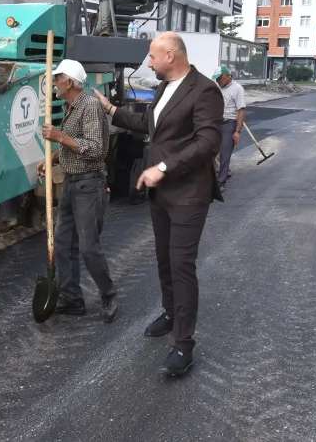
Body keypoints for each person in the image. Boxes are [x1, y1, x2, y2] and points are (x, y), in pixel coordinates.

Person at [93, 33, 223, 376]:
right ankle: (170, 313)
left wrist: (163, 167)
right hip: (162, 193)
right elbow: (149, 124)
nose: (148, 63)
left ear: (171, 55)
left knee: (181, 266)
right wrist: (109, 109)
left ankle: (184, 344)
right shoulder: (165, 88)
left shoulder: (205, 90)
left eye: (152, 56)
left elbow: (208, 142)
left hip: (188, 193)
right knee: (164, 260)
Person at [38, 59, 117, 322]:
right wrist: (52, 159)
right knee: (62, 244)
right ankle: (72, 299)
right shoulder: (70, 106)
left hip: (89, 185)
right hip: (72, 183)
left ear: (69, 82)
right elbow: (75, 148)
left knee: (88, 247)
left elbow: (95, 149)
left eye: (57, 78)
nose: (54, 83)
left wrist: (59, 137)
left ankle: (108, 295)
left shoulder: (90, 105)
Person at [212, 65, 246, 191]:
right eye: (216, 79)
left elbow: (241, 110)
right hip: (216, 122)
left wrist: (237, 131)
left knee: (224, 154)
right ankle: (223, 172)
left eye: (219, 78)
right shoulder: (218, 87)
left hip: (229, 123)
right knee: (212, 150)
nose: (217, 81)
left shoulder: (237, 89)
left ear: (227, 76)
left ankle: (221, 182)